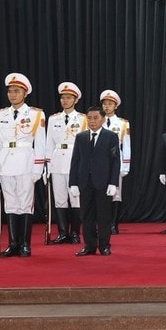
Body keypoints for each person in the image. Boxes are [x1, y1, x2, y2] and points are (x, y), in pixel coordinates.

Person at [0, 73, 47, 257]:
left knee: (25, 204)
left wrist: (38, 168)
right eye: (10, 91)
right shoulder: (0, 115)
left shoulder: (36, 114)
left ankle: (25, 244)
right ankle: (13, 243)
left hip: (26, 163)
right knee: (10, 205)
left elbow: (41, 143)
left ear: (25, 93)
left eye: (17, 91)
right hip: (5, 163)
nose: (13, 94)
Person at [68, 105, 120, 256]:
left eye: (96, 118)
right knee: (86, 216)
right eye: (89, 118)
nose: (92, 121)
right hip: (85, 182)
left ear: (103, 119)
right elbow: (75, 161)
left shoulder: (111, 136)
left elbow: (115, 161)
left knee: (104, 215)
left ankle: (104, 245)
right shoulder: (81, 137)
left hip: (103, 182)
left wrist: (113, 182)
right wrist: (73, 182)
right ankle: (89, 246)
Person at [45, 82, 86, 244]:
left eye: (69, 98)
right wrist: (46, 166)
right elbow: (49, 143)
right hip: (57, 161)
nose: (65, 101)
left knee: (75, 198)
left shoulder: (82, 119)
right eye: (63, 98)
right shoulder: (54, 118)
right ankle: (63, 232)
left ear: (75, 100)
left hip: (75, 161)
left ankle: (75, 233)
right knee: (60, 199)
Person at [99, 90, 131, 234]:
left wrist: (126, 165)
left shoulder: (123, 123)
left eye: (110, 104)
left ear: (115, 106)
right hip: (100, 161)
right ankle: (102, 223)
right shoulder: (96, 120)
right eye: (105, 104)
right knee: (100, 193)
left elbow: (127, 145)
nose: (107, 106)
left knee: (116, 194)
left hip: (116, 160)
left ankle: (113, 224)